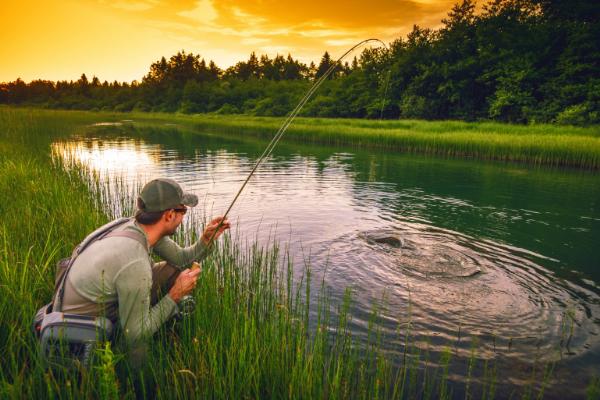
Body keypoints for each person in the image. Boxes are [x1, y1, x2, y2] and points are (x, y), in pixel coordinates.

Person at [58, 178, 230, 365]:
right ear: (169, 215)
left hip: (94, 300)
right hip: (84, 326)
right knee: (138, 341)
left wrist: (206, 239)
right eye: (183, 211)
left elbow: (181, 260)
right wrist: (175, 295)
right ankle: (136, 380)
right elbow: (134, 335)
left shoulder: (137, 226)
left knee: (173, 269)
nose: (183, 217)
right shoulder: (135, 261)